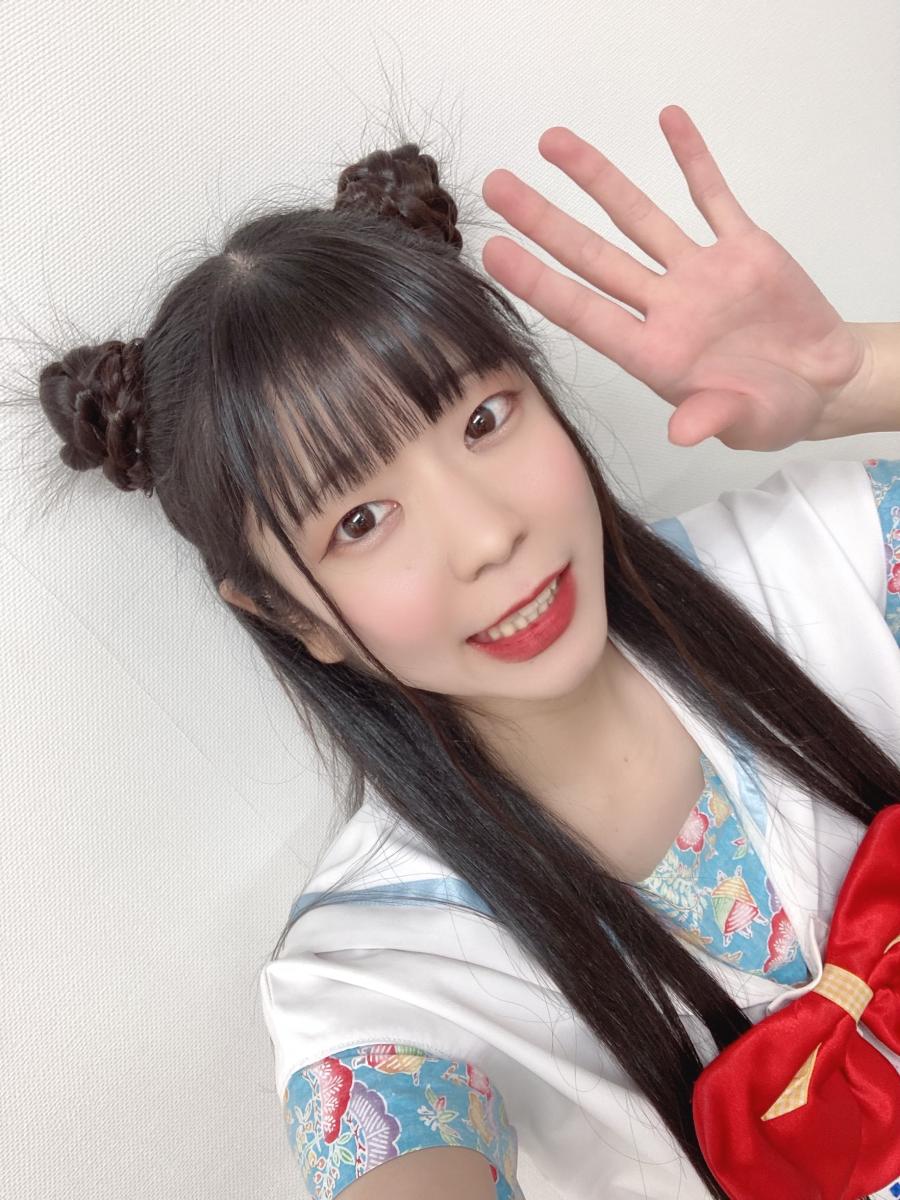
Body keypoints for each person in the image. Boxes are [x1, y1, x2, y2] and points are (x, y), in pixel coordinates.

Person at [15, 104, 900, 1198]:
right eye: (360, 521)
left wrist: (855, 382)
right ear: (294, 619)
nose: (488, 537)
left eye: (484, 421)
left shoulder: (823, 563)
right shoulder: (385, 975)